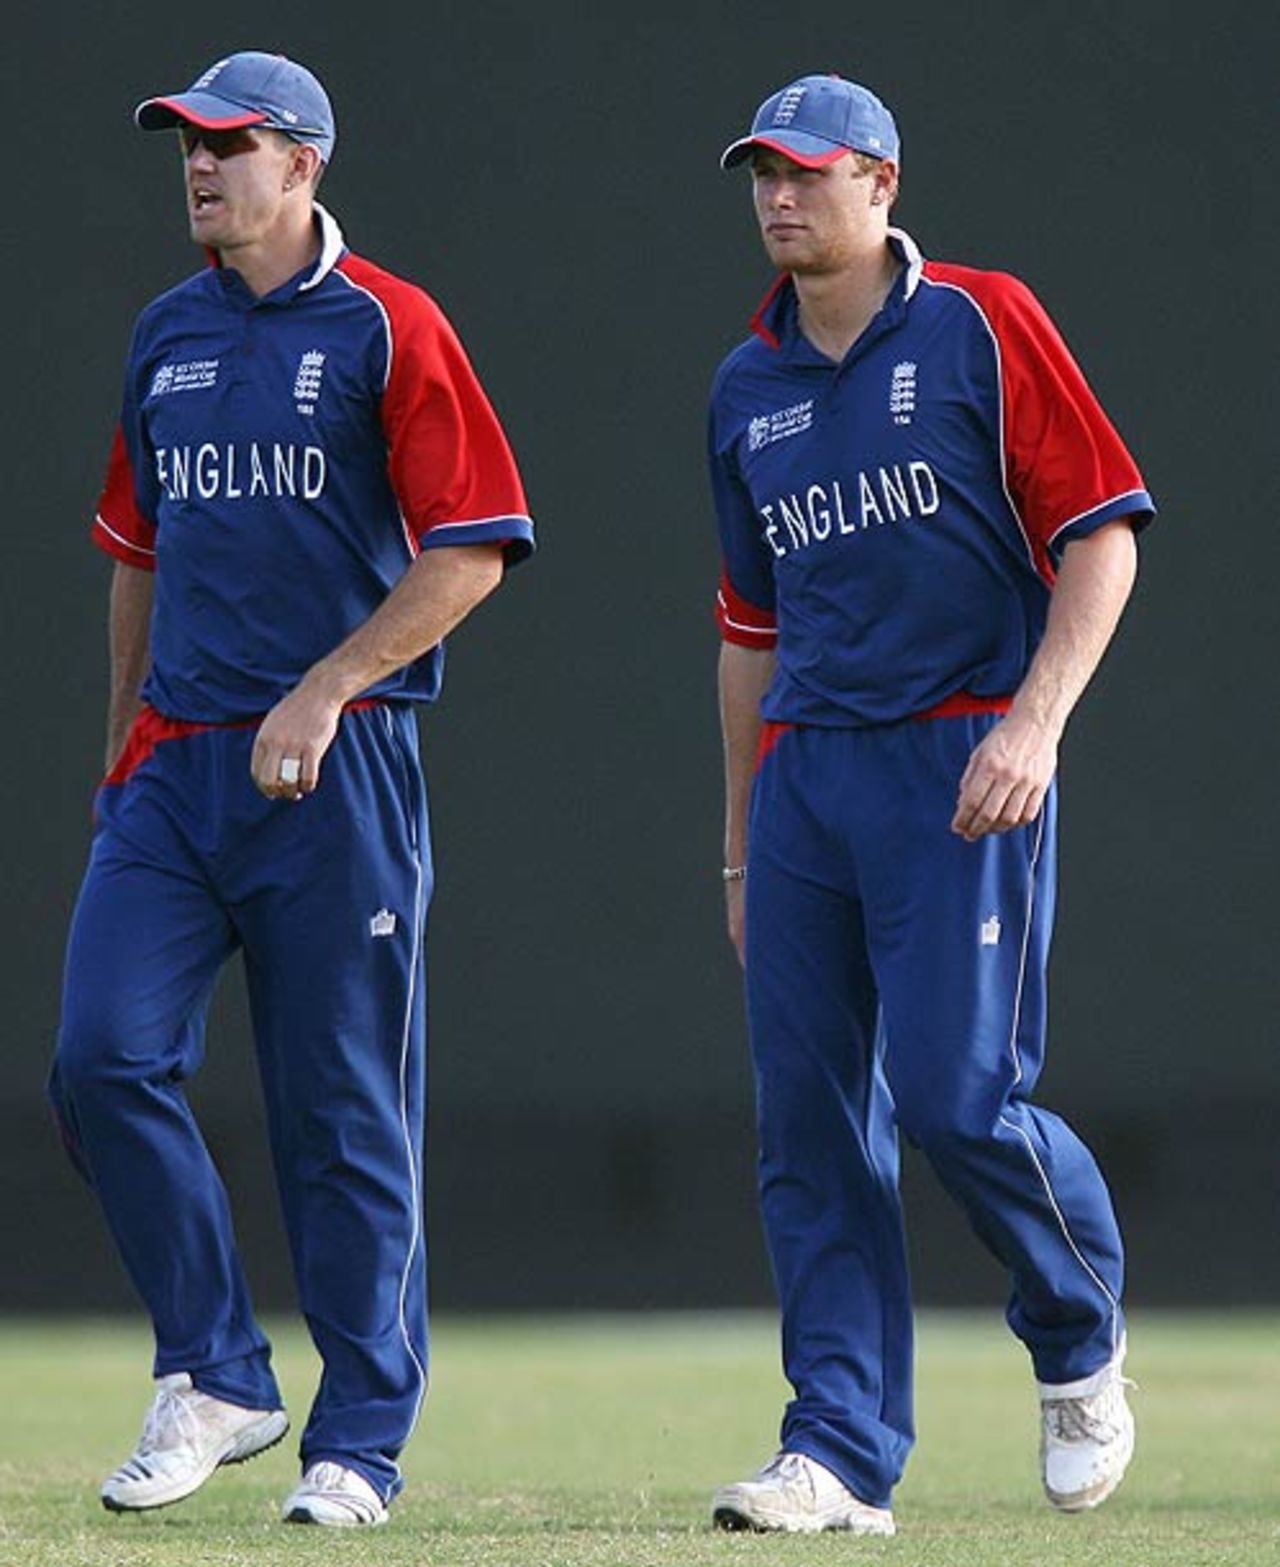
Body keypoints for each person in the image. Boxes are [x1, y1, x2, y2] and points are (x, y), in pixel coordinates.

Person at [48, 51, 533, 1528]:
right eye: (186, 147)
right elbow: (137, 550)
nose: (199, 169)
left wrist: (327, 686)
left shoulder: (392, 326)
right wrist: (125, 732)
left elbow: (475, 545)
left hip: (339, 772)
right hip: (177, 770)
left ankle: (358, 1445)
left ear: (305, 165)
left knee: (342, 1114)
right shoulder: (166, 334)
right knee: (99, 1060)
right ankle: (217, 1370)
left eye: (230, 146)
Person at [707, 73, 1153, 1535]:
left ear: (881, 184)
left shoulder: (978, 320)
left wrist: (1035, 723)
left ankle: (1077, 1329)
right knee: (811, 1126)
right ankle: (837, 1450)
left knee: (961, 1102)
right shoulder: (746, 386)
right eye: (763, 174)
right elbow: (749, 633)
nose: (781, 197)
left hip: (961, 755)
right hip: (807, 778)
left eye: (810, 173)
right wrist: (736, 844)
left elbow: (1099, 536)